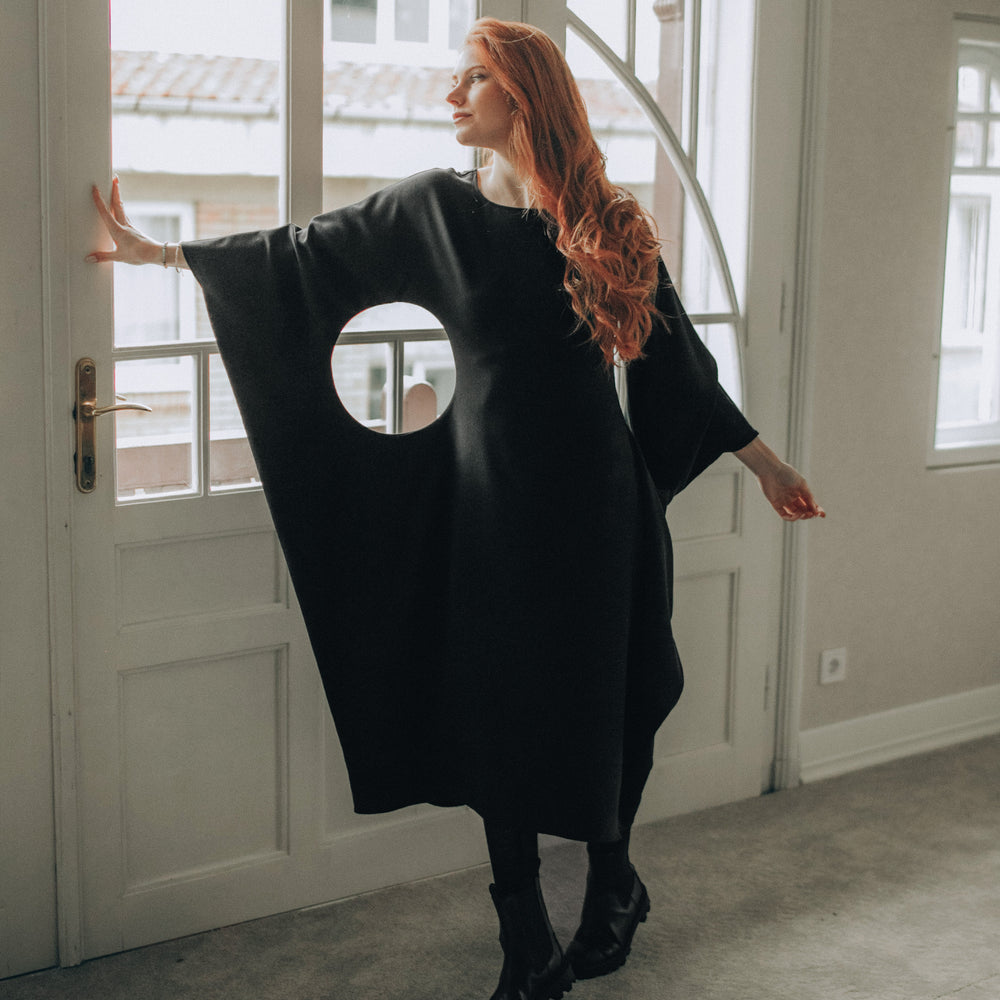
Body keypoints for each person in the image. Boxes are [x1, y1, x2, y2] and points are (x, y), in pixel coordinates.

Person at [89, 17, 823, 1000]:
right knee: (501, 719)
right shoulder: (434, 210)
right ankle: (527, 938)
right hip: (493, 516)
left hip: (600, 515)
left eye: (469, 78)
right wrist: (161, 256)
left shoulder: (608, 220)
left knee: (615, 707)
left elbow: (673, 361)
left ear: (521, 94)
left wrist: (766, 465)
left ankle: (612, 886)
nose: (450, 95)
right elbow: (301, 255)